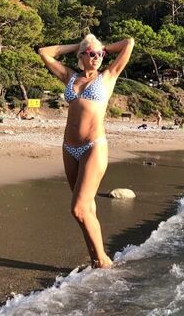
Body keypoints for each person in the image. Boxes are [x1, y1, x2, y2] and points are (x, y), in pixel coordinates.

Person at [38, 34, 134, 269]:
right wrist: (78, 45)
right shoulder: (70, 77)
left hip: (94, 146)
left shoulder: (108, 76)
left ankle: (103, 262)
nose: (97, 57)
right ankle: (96, 258)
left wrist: (102, 47)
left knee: (78, 208)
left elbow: (128, 43)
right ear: (81, 56)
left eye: (100, 54)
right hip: (69, 148)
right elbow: (44, 52)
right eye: (91, 54)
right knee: (86, 207)